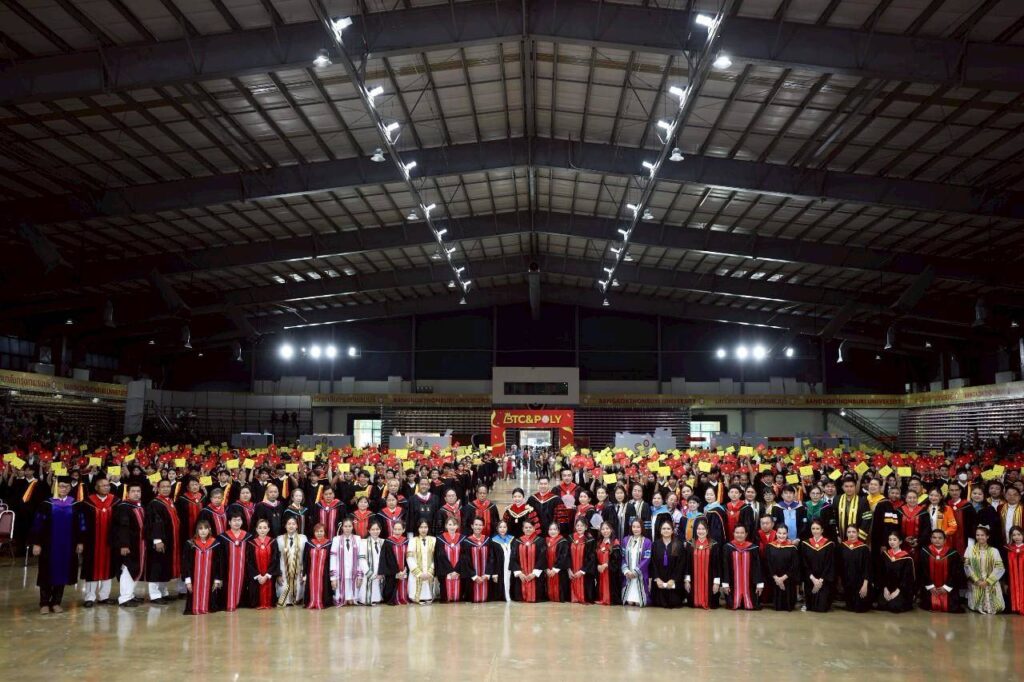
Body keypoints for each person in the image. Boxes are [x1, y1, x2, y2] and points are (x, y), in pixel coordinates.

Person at [29, 477, 79, 614]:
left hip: (67, 545)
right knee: (46, 572)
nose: (64, 489)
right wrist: (37, 543)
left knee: (62, 572)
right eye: (61, 486)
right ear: (56, 487)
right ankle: (44, 603)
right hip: (48, 545)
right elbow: (37, 525)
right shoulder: (46, 504)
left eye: (66, 486)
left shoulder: (74, 504)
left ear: (70, 488)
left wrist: (80, 542)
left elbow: (80, 525)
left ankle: (56, 602)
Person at [77, 475, 117, 607]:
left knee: (108, 568)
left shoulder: (115, 501)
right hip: (91, 542)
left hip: (109, 542)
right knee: (91, 569)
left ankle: (104, 596)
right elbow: (82, 523)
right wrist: (81, 541)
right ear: (96, 487)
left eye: (107, 485)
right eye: (103, 485)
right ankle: (90, 597)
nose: (106, 487)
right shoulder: (87, 502)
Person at [145, 478, 182, 604]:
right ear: (158, 488)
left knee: (164, 566)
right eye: (163, 487)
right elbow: (154, 522)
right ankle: (155, 595)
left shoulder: (169, 501)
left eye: (168, 486)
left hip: (170, 540)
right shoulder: (155, 503)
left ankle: (163, 592)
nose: (166, 489)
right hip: (160, 541)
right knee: (156, 567)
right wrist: (157, 540)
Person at [113, 482, 146, 607]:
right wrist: (124, 545)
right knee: (127, 569)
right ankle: (124, 598)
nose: (136, 493)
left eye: (138, 491)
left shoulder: (139, 505)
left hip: (139, 543)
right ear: (128, 493)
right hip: (129, 544)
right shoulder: (124, 507)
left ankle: (130, 594)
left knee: (135, 568)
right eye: (133, 491)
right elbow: (122, 527)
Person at [182, 519, 222, 615]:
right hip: (194, 578)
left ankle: (207, 607)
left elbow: (218, 563)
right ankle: (195, 608)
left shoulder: (215, 544)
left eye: (205, 528)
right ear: (197, 530)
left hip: (210, 578)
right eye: (200, 529)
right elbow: (186, 563)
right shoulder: (190, 544)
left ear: (209, 529)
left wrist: (217, 580)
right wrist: (188, 581)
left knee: (210, 596)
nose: (203, 531)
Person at [963, 525, 1005, 614]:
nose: (980, 537)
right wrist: (976, 580)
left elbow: (1000, 568)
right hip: (976, 582)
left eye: (982, 535)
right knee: (975, 605)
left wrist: (988, 581)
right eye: (977, 535)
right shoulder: (969, 549)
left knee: (997, 607)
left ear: (987, 536)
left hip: (990, 582)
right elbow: (966, 566)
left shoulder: (994, 551)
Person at [919, 529, 962, 612]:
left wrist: (946, 587)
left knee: (952, 606)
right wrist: (930, 586)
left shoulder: (953, 553)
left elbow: (956, 573)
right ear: (931, 539)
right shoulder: (925, 552)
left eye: (940, 538)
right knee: (927, 604)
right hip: (930, 588)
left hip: (948, 589)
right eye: (934, 537)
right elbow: (922, 571)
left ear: (945, 540)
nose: (937, 540)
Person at [722, 524, 762, 610]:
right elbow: (725, 567)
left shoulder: (753, 548)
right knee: (732, 604)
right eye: (737, 532)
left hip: (750, 584)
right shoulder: (727, 547)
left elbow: (757, 567)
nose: (739, 535)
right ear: (733, 533)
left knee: (753, 604)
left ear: (746, 534)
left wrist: (759, 584)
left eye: (742, 533)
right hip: (733, 584)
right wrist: (725, 583)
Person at [799, 519, 835, 612]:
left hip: (823, 581)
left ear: (822, 530)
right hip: (810, 580)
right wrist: (813, 579)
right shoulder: (805, 544)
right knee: (810, 607)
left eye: (817, 528)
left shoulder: (829, 544)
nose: (815, 531)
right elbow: (804, 564)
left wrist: (820, 580)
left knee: (821, 608)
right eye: (813, 528)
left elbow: (829, 564)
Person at [684, 517, 720, 609]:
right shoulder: (690, 544)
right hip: (694, 580)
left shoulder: (714, 545)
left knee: (712, 602)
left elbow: (717, 565)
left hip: (709, 580)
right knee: (692, 603)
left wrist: (716, 583)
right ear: (695, 530)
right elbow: (687, 564)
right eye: (698, 529)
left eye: (703, 529)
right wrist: (687, 580)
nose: (701, 531)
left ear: (707, 530)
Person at [649, 519, 686, 609]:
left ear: (672, 531)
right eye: (664, 528)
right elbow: (652, 563)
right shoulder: (655, 545)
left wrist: (673, 580)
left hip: (673, 583)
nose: (666, 530)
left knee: (674, 602)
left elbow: (680, 565)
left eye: (668, 529)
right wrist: (657, 579)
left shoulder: (677, 544)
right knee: (657, 603)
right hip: (659, 583)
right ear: (660, 531)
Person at [217, 511, 250, 612]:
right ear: (229, 522)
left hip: (243, 570)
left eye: (239, 520)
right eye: (234, 520)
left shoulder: (248, 537)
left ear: (242, 522)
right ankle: (229, 602)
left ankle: (241, 601)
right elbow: (220, 557)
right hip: (227, 571)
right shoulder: (222, 538)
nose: (237, 523)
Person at [876, 530, 915, 613]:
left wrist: (897, 591)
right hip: (887, 587)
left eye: (894, 539)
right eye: (890, 539)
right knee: (881, 604)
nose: (891, 542)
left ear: (900, 542)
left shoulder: (907, 558)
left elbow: (907, 578)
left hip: (901, 589)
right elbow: (881, 574)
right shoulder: (885, 555)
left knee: (894, 606)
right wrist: (885, 588)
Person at [837, 524, 872, 613]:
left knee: (860, 608)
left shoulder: (864, 548)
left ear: (858, 534)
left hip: (860, 584)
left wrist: (865, 585)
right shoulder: (842, 547)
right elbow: (839, 566)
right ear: (846, 534)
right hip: (847, 583)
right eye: (849, 532)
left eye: (853, 532)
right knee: (850, 607)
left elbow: (867, 568)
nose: (851, 534)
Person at [764, 524, 799, 611]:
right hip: (774, 580)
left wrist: (783, 578)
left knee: (788, 605)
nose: (781, 535)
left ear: (787, 534)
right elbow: (768, 564)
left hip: (788, 580)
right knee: (777, 606)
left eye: (784, 533)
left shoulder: (792, 548)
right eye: (779, 533)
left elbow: (794, 565)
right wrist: (776, 578)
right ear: (776, 533)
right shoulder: (770, 547)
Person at [246, 518, 279, 609]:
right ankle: (258, 603)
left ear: (268, 529)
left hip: (269, 576)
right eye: (260, 528)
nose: (262, 530)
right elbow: (249, 561)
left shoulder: (273, 542)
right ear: (256, 529)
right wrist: (258, 576)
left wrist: (267, 575)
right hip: (257, 577)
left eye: (265, 528)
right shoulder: (251, 543)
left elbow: (275, 559)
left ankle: (269, 602)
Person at [510, 518, 546, 603]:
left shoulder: (540, 541)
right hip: (521, 576)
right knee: (520, 598)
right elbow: (513, 558)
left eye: (530, 527)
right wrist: (519, 573)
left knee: (537, 594)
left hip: (535, 576)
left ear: (534, 528)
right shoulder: (517, 541)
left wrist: (534, 573)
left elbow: (542, 558)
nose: (528, 529)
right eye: (526, 527)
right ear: (523, 529)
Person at [302, 523, 334, 609]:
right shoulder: (309, 544)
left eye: (321, 531)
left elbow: (331, 560)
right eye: (317, 531)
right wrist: (304, 573)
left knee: (324, 586)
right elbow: (305, 559)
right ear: (314, 532)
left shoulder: (329, 544)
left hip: (324, 573)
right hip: (311, 572)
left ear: (324, 532)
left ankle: (323, 602)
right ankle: (311, 601)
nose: (319, 533)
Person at [462, 517, 494, 602]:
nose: (478, 527)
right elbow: (466, 561)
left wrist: (487, 574)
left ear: (483, 526)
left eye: (480, 525)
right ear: (472, 526)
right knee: (472, 600)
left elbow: (491, 558)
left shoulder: (487, 540)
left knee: (486, 602)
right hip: (472, 578)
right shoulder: (466, 542)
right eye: (476, 524)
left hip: (485, 577)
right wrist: (474, 576)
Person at [276, 515, 306, 606]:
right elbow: (276, 558)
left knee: (299, 597)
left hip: (299, 572)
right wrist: (278, 574)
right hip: (284, 572)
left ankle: (298, 599)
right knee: (284, 599)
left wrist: (304, 573)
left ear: (297, 526)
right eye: (289, 524)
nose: (291, 526)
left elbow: (306, 557)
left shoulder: (303, 538)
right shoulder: (279, 539)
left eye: (293, 524)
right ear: (285, 526)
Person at [621, 518, 651, 607]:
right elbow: (622, 557)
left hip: (640, 575)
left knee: (639, 603)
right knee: (629, 603)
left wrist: (635, 572)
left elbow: (647, 559)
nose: (636, 529)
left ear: (642, 528)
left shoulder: (647, 541)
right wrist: (626, 571)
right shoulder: (625, 540)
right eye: (634, 527)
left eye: (638, 527)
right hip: (628, 575)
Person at [436, 516, 466, 603]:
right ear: (446, 526)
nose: (452, 527)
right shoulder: (440, 539)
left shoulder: (462, 539)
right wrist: (450, 570)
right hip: (445, 572)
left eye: (454, 524)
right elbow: (440, 556)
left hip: (458, 571)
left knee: (459, 599)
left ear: (457, 526)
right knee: (445, 597)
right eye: (450, 524)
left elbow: (464, 556)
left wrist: (456, 570)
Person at [330, 517, 360, 605]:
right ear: (342, 527)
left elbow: (360, 558)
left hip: (354, 574)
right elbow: (333, 559)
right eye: (345, 526)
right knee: (342, 601)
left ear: (353, 527)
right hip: (340, 574)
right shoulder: (336, 539)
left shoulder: (358, 539)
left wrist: (360, 576)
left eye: (350, 526)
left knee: (352, 602)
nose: (347, 528)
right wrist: (333, 578)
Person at [380, 520, 410, 605]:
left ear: (403, 530)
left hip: (404, 570)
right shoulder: (388, 542)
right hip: (392, 572)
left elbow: (409, 557)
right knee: (391, 587)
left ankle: (403, 597)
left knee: (404, 585)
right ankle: (392, 598)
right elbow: (386, 559)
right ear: (392, 529)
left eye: (399, 529)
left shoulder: (407, 541)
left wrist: (405, 569)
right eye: (395, 529)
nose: (397, 531)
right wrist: (396, 572)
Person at [356, 519, 385, 605]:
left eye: (377, 529)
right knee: (367, 597)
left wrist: (382, 573)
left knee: (378, 597)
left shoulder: (383, 542)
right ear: (368, 530)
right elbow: (361, 560)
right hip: (368, 574)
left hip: (380, 574)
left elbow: (385, 560)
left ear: (380, 530)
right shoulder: (363, 542)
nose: (375, 531)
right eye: (373, 529)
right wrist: (370, 573)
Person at [408, 519, 437, 603]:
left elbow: (436, 558)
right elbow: (409, 558)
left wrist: (430, 571)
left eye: (425, 527)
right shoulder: (412, 540)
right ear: (417, 528)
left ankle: (430, 596)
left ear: (428, 528)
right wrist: (419, 573)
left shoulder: (434, 540)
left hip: (429, 574)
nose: (423, 530)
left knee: (429, 595)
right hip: (416, 574)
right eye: (421, 527)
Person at [567, 518, 595, 604]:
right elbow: (567, 555)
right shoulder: (570, 538)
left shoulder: (590, 540)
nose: (579, 527)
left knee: (586, 593)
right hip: (572, 572)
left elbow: (591, 558)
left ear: (586, 527)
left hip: (585, 573)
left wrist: (582, 571)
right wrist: (569, 569)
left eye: (582, 525)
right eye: (577, 525)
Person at [594, 521, 621, 606]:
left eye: (607, 528)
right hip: (600, 571)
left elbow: (617, 559)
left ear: (611, 530)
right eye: (603, 529)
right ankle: (601, 597)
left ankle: (609, 599)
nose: (605, 531)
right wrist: (598, 566)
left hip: (611, 572)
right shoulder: (599, 543)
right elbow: (595, 557)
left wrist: (606, 565)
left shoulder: (615, 542)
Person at [543, 521, 569, 603]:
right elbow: (542, 556)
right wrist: (546, 569)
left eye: (555, 529)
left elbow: (563, 557)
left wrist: (554, 569)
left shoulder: (563, 541)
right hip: (548, 571)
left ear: (558, 531)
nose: (552, 531)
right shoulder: (545, 541)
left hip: (559, 571)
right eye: (550, 529)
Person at [490, 519, 514, 602]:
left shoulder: (512, 539)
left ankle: (510, 597)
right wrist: (494, 573)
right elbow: (492, 558)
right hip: (499, 569)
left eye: (504, 527)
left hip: (510, 568)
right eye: (500, 527)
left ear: (507, 528)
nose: (502, 529)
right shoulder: (493, 541)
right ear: (497, 528)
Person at [1005, 525, 1024, 615]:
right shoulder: (1009, 549)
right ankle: (1015, 607)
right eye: (1014, 535)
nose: (1017, 537)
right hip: (1013, 579)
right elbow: (1006, 567)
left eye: (1019, 534)